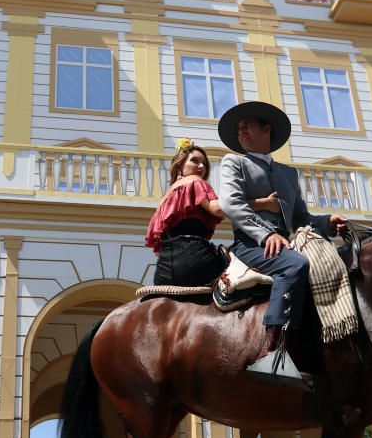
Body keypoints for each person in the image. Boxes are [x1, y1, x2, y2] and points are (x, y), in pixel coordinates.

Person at [217, 101, 348, 387]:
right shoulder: (234, 162)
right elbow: (231, 204)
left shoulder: (289, 174)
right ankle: (272, 352)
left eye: (246, 126)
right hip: (249, 245)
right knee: (295, 264)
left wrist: (327, 222)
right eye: (238, 129)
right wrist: (266, 234)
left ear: (267, 129)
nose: (241, 132)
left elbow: (300, 217)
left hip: (283, 243)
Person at [145, 138, 283, 286]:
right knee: (249, 274)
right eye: (195, 161)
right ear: (180, 166)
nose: (201, 166)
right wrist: (264, 203)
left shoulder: (164, 198)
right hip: (194, 257)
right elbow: (218, 208)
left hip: (164, 268)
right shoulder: (195, 181)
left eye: (204, 163)